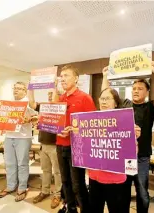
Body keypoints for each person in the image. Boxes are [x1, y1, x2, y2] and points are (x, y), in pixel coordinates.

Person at [101, 61, 154, 213]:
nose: (136, 91)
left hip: (142, 157)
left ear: (147, 92)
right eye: (134, 88)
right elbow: (106, 95)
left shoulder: (149, 108)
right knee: (122, 192)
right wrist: (105, 76)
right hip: (123, 156)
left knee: (142, 192)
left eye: (140, 89)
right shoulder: (124, 103)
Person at [88, 87, 141, 213]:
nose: (103, 102)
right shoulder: (91, 121)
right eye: (102, 98)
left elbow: (133, 153)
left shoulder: (124, 122)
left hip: (116, 179)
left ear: (116, 103)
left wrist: (133, 137)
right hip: (95, 177)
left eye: (107, 99)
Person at [57, 65, 96, 213]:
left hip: (77, 147)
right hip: (60, 145)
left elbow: (93, 125)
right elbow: (57, 122)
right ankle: (70, 208)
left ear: (76, 79)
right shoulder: (61, 99)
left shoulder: (85, 98)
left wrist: (75, 131)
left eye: (66, 75)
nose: (63, 79)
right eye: (61, 76)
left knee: (77, 184)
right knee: (65, 181)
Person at [0, 82, 37, 202]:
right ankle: (10, 186)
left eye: (19, 88)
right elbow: (2, 118)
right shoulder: (8, 103)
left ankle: (22, 187)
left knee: (22, 163)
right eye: (15, 88)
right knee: (9, 163)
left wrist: (28, 119)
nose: (16, 90)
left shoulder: (28, 103)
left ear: (25, 91)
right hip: (9, 136)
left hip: (23, 137)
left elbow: (37, 117)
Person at [28, 88, 62, 209]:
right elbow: (32, 103)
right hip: (43, 144)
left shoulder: (61, 108)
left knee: (57, 172)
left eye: (52, 94)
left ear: (58, 95)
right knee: (45, 170)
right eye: (48, 94)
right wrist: (30, 88)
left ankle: (58, 194)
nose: (49, 96)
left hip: (56, 145)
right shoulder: (43, 106)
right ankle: (45, 191)